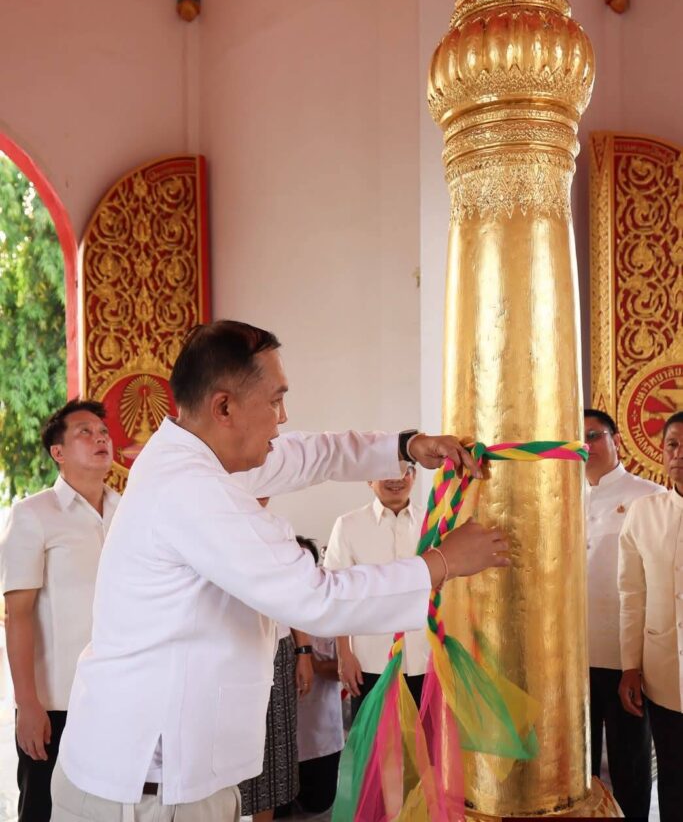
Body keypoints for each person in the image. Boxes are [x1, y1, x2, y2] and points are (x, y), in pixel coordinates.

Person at [51, 319, 510, 822]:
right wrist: (443, 562)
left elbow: (308, 454)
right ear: (224, 407)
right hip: (146, 790)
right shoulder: (191, 488)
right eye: (275, 401)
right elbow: (317, 598)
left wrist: (403, 447)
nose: (283, 418)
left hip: (173, 779)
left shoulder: (198, 456)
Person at [0, 399, 117, 822]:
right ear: (58, 452)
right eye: (85, 432)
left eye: (103, 432)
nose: (100, 438)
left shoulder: (128, 512)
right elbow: (18, 615)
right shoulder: (33, 515)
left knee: (111, 810)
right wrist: (28, 705)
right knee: (44, 810)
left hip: (119, 696)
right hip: (56, 702)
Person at [583, 407, 661, 818]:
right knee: (578, 768)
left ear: (616, 441)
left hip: (625, 656)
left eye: (594, 436)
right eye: (577, 439)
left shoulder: (649, 497)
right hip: (574, 655)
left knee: (629, 763)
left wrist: (639, 661)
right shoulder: (563, 499)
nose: (586, 446)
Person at [618, 410, 683, 822]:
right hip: (664, 673)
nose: (679, 454)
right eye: (672, 445)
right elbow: (631, 594)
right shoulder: (644, 512)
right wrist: (630, 666)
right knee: (674, 778)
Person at [325, 463, 429, 718]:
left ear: (414, 476)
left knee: (427, 738)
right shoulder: (348, 525)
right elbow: (337, 594)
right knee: (373, 740)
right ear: (369, 479)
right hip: (371, 659)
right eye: (386, 471)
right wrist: (344, 654)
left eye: (405, 471)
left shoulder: (432, 521)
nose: (397, 479)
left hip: (426, 658)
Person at [238, 499, 312, 822]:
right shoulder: (209, 518)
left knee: (271, 758)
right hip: (227, 653)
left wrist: (303, 652)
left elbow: (297, 596)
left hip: (278, 651)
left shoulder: (280, 528)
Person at [293, 537, 344, 815]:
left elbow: (347, 670)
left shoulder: (331, 613)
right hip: (279, 744)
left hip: (322, 740)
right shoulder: (268, 611)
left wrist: (310, 662)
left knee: (319, 809)